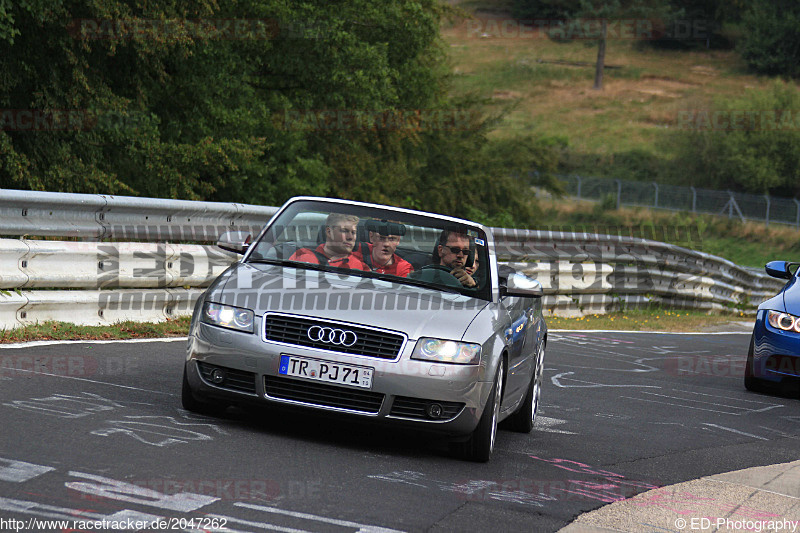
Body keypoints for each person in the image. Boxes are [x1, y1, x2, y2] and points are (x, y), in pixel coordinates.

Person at [288, 213, 370, 270]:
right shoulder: (302, 256)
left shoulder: (361, 267)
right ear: (329, 232)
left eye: (353, 232)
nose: (350, 237)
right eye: (345, 231)